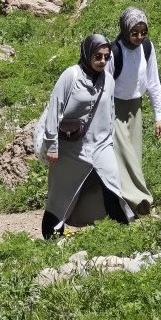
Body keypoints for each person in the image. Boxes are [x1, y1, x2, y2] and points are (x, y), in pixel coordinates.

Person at [37, 35, 133, 239]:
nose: (102, 61)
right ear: (87, 54)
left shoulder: (108, 79)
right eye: (97, 56)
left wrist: (110, 141)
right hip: (70, 149)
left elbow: (110, 111)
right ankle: (51, 237)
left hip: (101, 145)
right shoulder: (70, 76)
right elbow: (54, 110)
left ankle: (123, 236)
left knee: (112, 187)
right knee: (60, 196)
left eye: (106, 57)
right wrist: (52, 146)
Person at [109, 7, 161, 216]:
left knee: (134, 155)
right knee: (122, 156)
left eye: (143, 32)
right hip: (114, 109)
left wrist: (159, 116)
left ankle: (128, 204)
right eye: (134, 33)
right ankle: (140, 201)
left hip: (135, 108)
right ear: (125, 30)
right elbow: (105, 86)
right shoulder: (114, 52)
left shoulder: (147, 48)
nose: (139, 37)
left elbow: (153, 82)